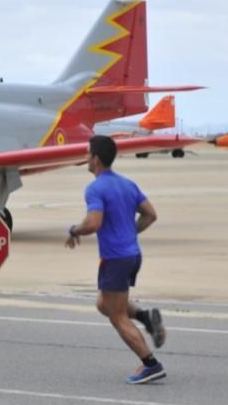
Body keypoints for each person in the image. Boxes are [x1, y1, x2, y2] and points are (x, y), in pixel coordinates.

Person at [65, 135, 166, 384]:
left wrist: (74, 230)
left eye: (88, 154)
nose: (86, 158)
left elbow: (93, 222)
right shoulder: (128, 184)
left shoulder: (95, 188)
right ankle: (145, 318)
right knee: (104, 304)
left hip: (115, 259)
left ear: (96, 159)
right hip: (133, 255)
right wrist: (130, 232)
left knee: (117, 316)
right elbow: (151, 215)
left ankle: (151, 364)